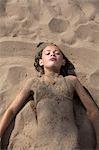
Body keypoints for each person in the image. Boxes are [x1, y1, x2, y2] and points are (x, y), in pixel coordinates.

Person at [0, 42, 99, 150]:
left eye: (57, 53)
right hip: (42, 145)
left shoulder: (72, 81)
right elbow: (12, 110)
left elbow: (92, 110)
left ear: (63, 61)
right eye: (47, 53)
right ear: (41, 62)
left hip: (69, 145)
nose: (52, 54)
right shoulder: (34, 82)